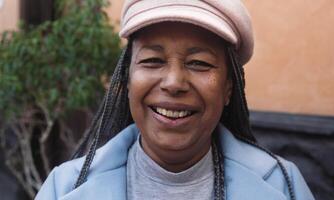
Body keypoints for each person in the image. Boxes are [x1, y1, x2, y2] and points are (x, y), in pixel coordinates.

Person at [35, 0, 315, 199]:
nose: (174, 83)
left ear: (228, 88)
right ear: (128, 80)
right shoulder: (65, 188)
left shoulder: (283, 186)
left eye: (199, 63)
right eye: (153, 60)